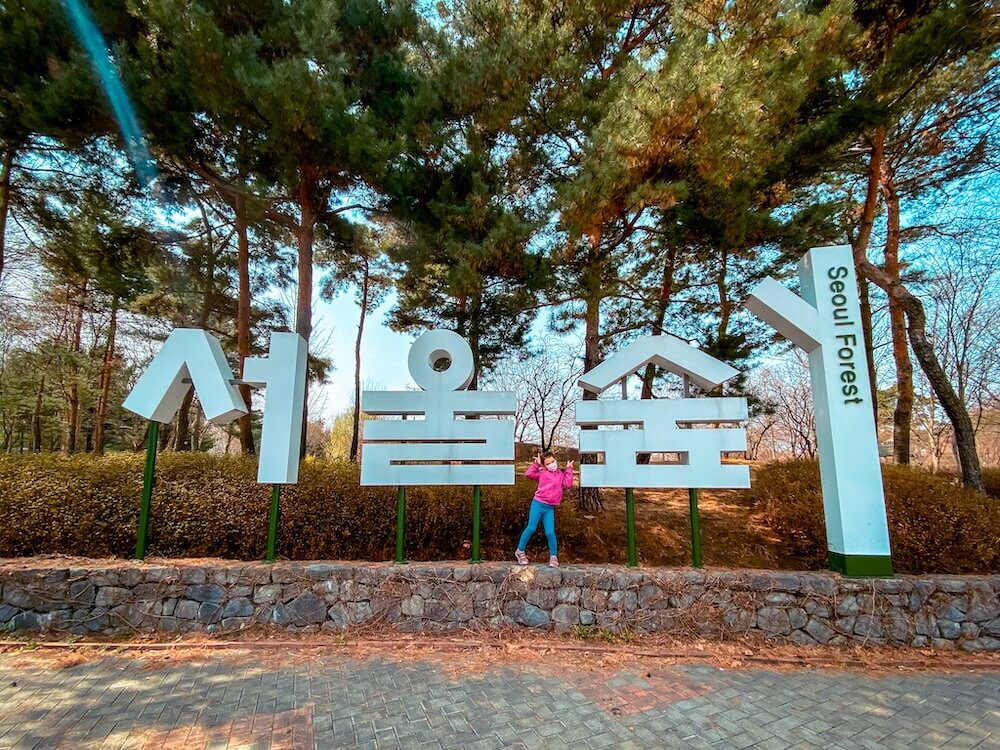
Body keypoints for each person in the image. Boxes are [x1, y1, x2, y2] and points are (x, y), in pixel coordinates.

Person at [515, 452, 575, 567]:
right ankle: (520, 551)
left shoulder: (560, 474)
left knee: (550, 532)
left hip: (550, 508)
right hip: (538, 504)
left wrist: (569, 470)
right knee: (531, 528)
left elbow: (567, 484)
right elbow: (529, 474)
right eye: (548, 463)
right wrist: (536, 465)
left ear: (556, 460)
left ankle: (553, 557)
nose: (551, 464)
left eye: (552, 461)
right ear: (545, 465)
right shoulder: (542, 473)